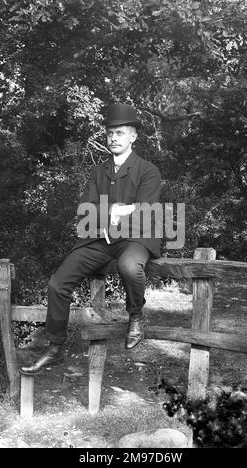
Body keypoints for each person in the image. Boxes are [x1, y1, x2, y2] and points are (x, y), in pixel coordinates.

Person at [20, 102, 162, 375]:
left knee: (130, 267)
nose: (113, 138)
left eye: (120, 133)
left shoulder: (148, 170)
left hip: (136, 239)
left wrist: (117, 214)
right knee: (57, 284)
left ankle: (136, 315)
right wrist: (116, 211)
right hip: (101, 239)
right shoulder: (99, 172)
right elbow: (86, 211)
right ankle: (55, 347)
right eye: (110, 134)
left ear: (133, 136)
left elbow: (146, 213)